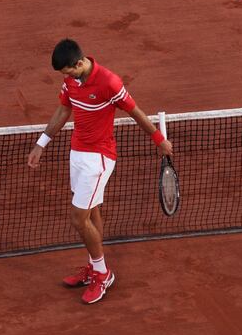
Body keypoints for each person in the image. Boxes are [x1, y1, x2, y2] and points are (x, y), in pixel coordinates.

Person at [27, 39, 173, 304]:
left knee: (78, 218)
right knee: (91, 211)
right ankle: (94, 267)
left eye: (68, 72)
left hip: (99, 158)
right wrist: (41, 143)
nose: (66, 77)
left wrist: (158, 140)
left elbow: (135, 111)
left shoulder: (109, 82)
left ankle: (103, 273)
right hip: (77, 153)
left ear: (80, 63)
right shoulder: (71, 81)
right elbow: (63, 109)